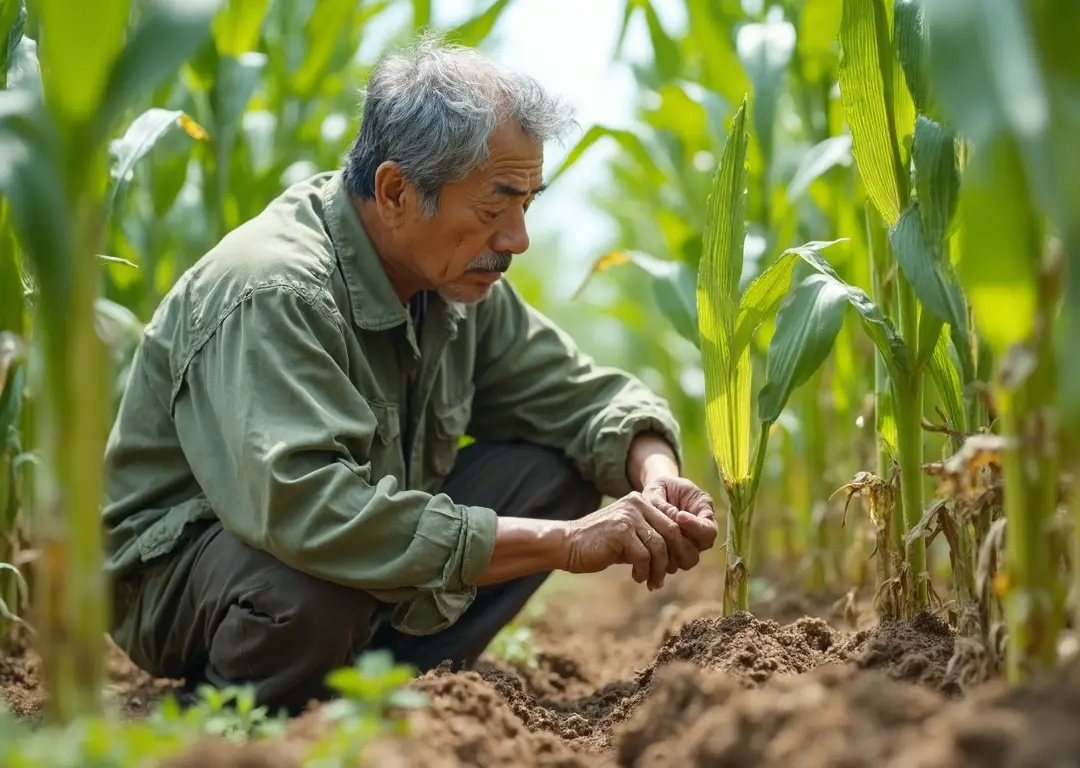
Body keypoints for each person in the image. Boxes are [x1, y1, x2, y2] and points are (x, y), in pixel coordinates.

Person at [100, 36, 718, 715]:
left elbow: (581, 397)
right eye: (493, 207)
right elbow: (309, 509)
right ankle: (223, 715)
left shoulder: (453, 281)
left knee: (555, 470)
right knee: (309, 587)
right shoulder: (275, 290)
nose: (517, 239)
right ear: (396, 191)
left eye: (527, 204)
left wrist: (654, 473)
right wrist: (566, 544)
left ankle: (383, 687)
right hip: (185, 571)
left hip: (328, 553)